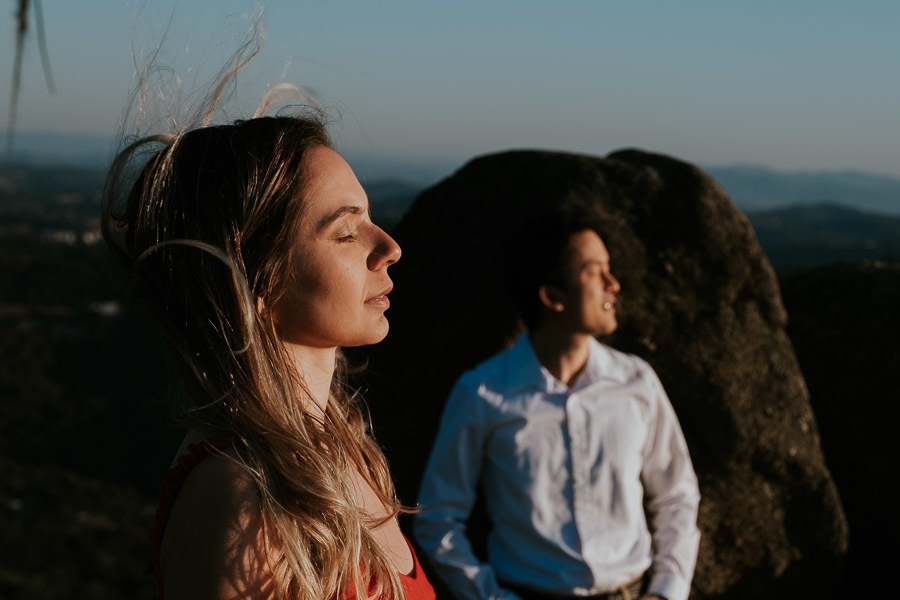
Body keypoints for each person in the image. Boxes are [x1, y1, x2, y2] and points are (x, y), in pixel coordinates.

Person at [102, 53, 435, 600]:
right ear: (257, 284)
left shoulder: (344, 450)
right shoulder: (238, 496)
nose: (390, 248)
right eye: (346, 233)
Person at [413, 208, 700, 600]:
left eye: (609, 269)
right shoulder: (482, 393)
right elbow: (437, 517)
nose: (613, 284)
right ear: (553, 296)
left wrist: (667, 592)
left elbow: (678, 494)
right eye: (594, 271)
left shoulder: (637, 382)